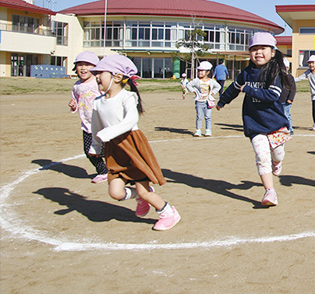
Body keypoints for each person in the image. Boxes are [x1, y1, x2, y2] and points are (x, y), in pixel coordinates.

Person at [88, 55, 180, 231]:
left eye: (100, 72)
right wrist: (95, 145)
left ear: (116, 77)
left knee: (145, 190)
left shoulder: (127, 97)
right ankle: (140, 196)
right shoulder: (98, 103)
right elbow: (96, 126)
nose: (97, 76)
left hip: (132, 146)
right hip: (113, 149)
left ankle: (168, 212)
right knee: (115, 192)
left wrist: (109, 132)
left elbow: (131, 121)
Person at [216, 32, 292, 207]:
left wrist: (249, 89)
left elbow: (272, 95)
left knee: (277, 154)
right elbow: (234, 89)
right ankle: (270, 191)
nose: (258, 52)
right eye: (254, 49)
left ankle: (277, 162)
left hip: (275, 123)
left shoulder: (275, 72)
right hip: (254, 123)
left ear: (272, 52)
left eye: (263, 48)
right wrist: (222, 102)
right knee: (261, 155)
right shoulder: (246, 73)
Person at [68, 51, 108, 183]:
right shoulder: (76, 86)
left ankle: (116, 169)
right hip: (87, 124)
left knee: (105, 150)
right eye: (79, 64)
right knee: (88, 150)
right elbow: (77, 101)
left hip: (102, 123)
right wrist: (73, 106)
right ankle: (103, 171)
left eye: (87, 64)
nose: (83, 68)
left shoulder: (98, 82)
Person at [182, 61, 221, 137]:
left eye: (202, 71)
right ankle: (198, 130)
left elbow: (218, 87)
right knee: (199, 116)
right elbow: (189, 85)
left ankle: (208, 130)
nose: (200, 72)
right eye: (199, 70)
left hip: (208, 102)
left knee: (208, 117)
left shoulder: (211, 81)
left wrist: (212, 93)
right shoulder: (196, 80)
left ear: (207, 72)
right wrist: (194, 92)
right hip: (199, 101)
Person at [279, 57, 296, 134]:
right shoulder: (277, 77)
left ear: (288, 68)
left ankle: (290, 128)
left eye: (284, 67)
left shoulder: (290, 78)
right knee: (278, 115)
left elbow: (293, 89)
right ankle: (280, 127)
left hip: (286, 101)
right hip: (278, 100)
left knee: (286, 114)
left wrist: (290, 98)